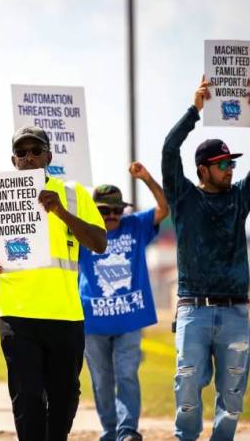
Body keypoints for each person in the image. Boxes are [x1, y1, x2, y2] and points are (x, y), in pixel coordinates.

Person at [0, 126, 107, 441]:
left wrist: (59, 211)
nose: (29, 157)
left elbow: (99, 243)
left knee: (65, 398)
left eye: (36, 150)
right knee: (27, 397)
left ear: (49, 155)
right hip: (18, 317)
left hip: (65, 315)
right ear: (14, 160)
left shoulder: (73, 194)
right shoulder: (1, 196)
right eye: (22, 152)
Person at [161, 78, 250, 440]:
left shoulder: (239, 198)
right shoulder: (183, 199)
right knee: (187, 386)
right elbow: (168, 150)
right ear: (203, 169)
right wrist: (193, 110)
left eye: (231, 163)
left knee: (232, 395)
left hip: (235, 313)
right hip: (193, 310)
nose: (230, 168)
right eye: (222, 163)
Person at [78, 163, 169, 441]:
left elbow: (164, 209)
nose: (113, 216)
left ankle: (127, 430)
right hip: (93, 321)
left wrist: (147, 179)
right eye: (105, 210)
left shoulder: (135, 226)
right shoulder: (82, 232)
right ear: (94, 210)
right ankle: (109, 431)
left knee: (127, 374)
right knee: (102, 381)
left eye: (117, 210)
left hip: (130, 318)